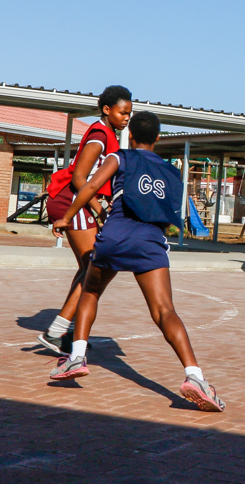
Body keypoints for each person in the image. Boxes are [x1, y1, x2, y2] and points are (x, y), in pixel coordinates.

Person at [48, 111, 225, 412]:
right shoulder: (172, 172)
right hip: (150, 241)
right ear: (158, 138)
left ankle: (76, 357)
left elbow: (89, 187)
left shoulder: (120, 157)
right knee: (165, 310)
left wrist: (67, 217)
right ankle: (195, 376)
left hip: (115, 236)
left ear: (131, 136)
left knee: (90, 290)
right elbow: (169, 214)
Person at [38, 86, 132, 355]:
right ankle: (56, 331)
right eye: (122, 112)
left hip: (78, 202)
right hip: (71, 200)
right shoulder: (100, 135)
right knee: (94, 267)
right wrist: (99, 211)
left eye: (129, 113)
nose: (126, 117)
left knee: (88, 269)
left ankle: (68, 331)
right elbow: (80, 179)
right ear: (106, 110)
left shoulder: (109, 135)